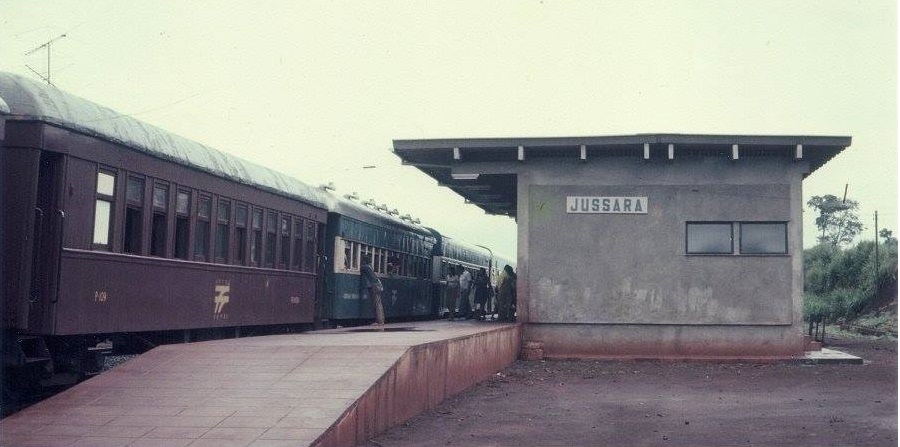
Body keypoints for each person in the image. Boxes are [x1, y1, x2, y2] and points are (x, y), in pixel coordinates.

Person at [359, 253, 384, 326]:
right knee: (378, 303)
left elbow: (359, 267)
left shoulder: (365, 267)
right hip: (378, 285)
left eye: (362, 260)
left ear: (364, 261)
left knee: (376, 304)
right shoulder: (370, 267)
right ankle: (380, 320)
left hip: (374, 286)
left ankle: (379, 321)